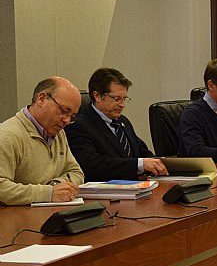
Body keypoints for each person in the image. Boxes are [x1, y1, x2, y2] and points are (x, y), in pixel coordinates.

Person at [66, 68, 167, 181]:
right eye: (117, 99)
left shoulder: (122, 121)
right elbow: (92, 164)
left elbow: (141, 151)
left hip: (135, 187)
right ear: (97, 96)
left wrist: (162, 163)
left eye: (124, 99)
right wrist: (139, 165)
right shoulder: (78, 125)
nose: (122, 105)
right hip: (105, 192)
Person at [0, 77, 84, 205]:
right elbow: (1, 188)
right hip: (16, 220)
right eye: (64, 111)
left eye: (72, 117)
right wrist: (48, 193)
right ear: (42, 98)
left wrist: (56, 186)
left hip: (49, 214)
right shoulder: (8, 135)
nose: (66, 121)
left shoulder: (59, 134)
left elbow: (76, 173)